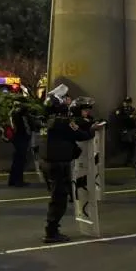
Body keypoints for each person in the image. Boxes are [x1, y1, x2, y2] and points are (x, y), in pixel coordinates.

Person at [42, 85, 101, 243]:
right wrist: (93, 129)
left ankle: (52, 229)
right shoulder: (63, 121)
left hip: (48, 162)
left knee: (57, 196)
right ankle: (51, 231)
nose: (68, 100)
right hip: (59, 163)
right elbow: (81, 135)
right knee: (59, 198)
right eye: (65, 98)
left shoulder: (48, 120)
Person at [8, 97, 33, 187]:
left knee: (17, 159)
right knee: (20, 160)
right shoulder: (17, 113)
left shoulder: (16, 112)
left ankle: (13, 180)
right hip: (20, 137)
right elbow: (22, 125)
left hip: (19, 137)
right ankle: (18, 180)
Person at [115, 96, 136, 168]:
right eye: (126, 102)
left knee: (133, 146)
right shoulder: (120, 110)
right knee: (127, 146)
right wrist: (129, 117)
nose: (127, 104)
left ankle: (131, 161)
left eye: (129, 102)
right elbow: (119, 119)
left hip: (132, 130)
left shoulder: (132, 109)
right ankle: (126, 161)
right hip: (125, 130)